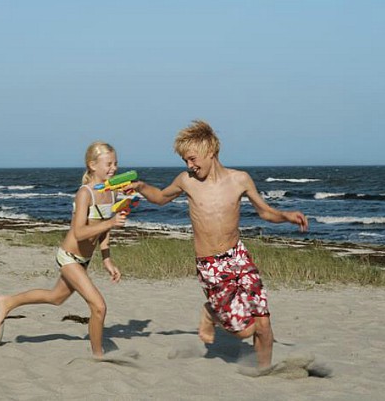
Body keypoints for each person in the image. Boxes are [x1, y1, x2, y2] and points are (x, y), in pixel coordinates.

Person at [124, 120, 308, 370]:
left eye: (192, 159)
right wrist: (141, 187)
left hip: (239, 256)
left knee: (264, 325)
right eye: (186, 161)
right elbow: (160, 198)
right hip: (211, 265)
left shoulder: (240, 179)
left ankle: (265, 371)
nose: (190, 165)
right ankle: (210, 311)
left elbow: (265, 213)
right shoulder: (187, 181)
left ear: (210, 151)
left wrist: (286, 216)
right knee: (244, 333)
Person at [0, 141, 127, 356]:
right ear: (92, 165)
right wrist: (111, 223)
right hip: (69, 257)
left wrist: (107, 259)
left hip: (84, 260)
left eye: (116, 163)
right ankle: (98, 356)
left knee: (56, 298)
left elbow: (103, 230)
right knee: (99, 307)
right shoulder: (85, 193)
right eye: (108, 164)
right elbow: (80, 233)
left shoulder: (111, 193)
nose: (114, 168)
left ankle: (8, 301)